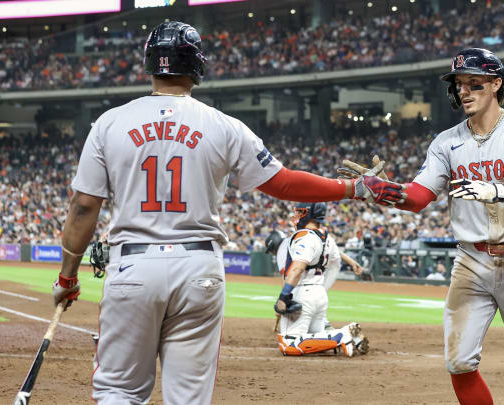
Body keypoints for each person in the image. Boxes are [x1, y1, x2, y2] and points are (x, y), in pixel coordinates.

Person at [50, 21, 401, 405]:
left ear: (149, 63)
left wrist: (68, 277)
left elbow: (84, 206)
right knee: (188, 398)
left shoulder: (109, 123)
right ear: (197, 66)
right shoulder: (224, 125)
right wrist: (352, 188)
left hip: (133, 267)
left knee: (119, 392)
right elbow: (282, 183)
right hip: (199, 269)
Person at [340, 48, 504, 404]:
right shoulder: (446, 142)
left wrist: (498, 190)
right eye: (460, 85)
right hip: (471, 263)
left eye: (474, 84)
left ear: (495, 84)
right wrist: (385, 191)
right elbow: (418, 196)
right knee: (459, 362)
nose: (464, 92)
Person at [272, 202, 368, 356]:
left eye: (300, 212)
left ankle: (342, 335)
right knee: (318, 334)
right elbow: (336, 261)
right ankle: (352, 338)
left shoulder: (303, 237)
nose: (297, 216)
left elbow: (297, 269)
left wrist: (284, 296)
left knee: (288, 344)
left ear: (309, 214)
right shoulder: (327, 238)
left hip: (302, 293)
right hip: (319, 293)